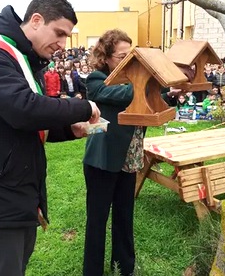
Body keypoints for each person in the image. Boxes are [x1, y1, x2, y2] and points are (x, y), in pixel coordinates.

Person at [0, 0, 101, 276]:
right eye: (59, 33)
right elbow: (23, 109)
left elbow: (21, 124)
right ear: (36, 20)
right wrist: (82, 107)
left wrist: (69, 130)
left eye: (66, 36)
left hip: (14, 190)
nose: (61, 44)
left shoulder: (22, 57)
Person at [82, 29, 186, 276]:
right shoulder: (97, 79)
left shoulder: (135, 80)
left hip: (130, 160)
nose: (127, 61)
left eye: (131, 56)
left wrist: (168, 93)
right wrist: (151, 85)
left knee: (124, 216)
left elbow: (150, 101)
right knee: (97, 221)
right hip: (102, 161)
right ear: (105, 57)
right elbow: (117, 95)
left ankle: (124, 267)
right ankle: (92, 271)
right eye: (121, 57)